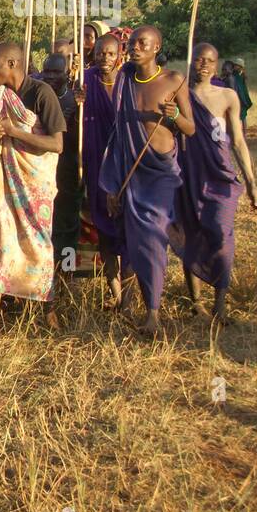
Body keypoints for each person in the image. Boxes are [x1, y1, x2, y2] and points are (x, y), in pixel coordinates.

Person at [99, 26, 195, 336]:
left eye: (143, 43)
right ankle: (127, 304)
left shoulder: (173, 80)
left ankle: (152, 313)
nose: (135, 47)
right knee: (131, 239)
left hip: (160, 173)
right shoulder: (126, 76)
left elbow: (190, 128)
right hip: (130, 170)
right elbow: (116, 131)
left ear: (157, 48)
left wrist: (175, 115)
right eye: (133, 42)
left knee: (153, 238)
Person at [0, 43, 65, 334]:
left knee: (38, 242)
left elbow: (57, 144)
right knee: (1, 238)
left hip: (36, 181)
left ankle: (49, 309)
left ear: (12, 64)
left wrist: (14, 132)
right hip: (4, 178)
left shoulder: (41, 93)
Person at [173, 44, 257, 321]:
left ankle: (220, 302)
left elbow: (237, 141)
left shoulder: (228, 96)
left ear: (216, 65)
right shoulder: (179, 94)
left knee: (222, 236)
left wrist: (251, 183)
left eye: (209, 61)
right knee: (191, 234)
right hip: (187, 173)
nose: (203, 65)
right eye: (198, 59)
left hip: (220, 175)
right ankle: (196, 302)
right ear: (190, 62)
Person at [78, 34, 125, 305]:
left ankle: (130, 291)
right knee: (104, 229)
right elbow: (73, 118)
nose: (104, 58)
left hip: (123, 163)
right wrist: (77, 101)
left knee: (127, 227)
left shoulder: (127, 82)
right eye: (99, 53)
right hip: (95, 162)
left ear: (118, 55)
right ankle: (115, 291)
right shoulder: (86, 80)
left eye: (109, 53)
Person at [41, 54, 81, 284]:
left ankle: (67, 274)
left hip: (67, 171)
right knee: (47, 227)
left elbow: (75, 138)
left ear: (67, 74)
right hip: (43, 171)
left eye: (56, 72)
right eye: (47, 71)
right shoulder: (39, 95)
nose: (50, 77)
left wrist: (74, 116)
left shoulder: (74, 100)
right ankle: (46, 275)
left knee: (67, 229)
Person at [224, 57, 253, 124]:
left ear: (240, 67)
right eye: (234, 65)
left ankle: (244, 133)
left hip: (241, 99)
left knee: (243, 117)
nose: (234, 66)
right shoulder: (233, 75)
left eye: (236, 65)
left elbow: (243, 89)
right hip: (237, 98)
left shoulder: (241, 76)